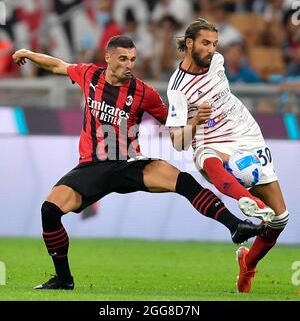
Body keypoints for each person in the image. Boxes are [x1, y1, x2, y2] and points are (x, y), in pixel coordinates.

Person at [12, 36, 264, 291]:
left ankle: (235, 226)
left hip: (130, 163)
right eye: (123, 59)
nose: (129, 65)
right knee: (49, 211)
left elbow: (175, 130)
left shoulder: (144, 92)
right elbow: (58, 65)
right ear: (107, 58)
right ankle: (64, 279)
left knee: (184, 181)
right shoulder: (89, 74)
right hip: (93, 166)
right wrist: (28, 53)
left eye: (132, 59)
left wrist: (196, 121)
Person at [165, 18, 289, 293]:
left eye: (214, 44)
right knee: (206, 159)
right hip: (210, 139)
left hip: (245, 133)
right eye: (206, 43)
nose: (212, 49)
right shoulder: (177, 90)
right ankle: (246, 200)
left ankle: (249, 264)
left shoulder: (218, 62)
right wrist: (196, 121)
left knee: (281, 219)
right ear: (189, 43)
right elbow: (177, 142)